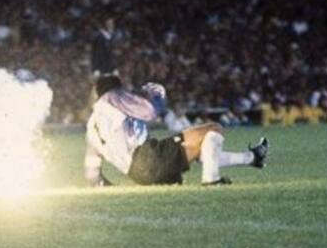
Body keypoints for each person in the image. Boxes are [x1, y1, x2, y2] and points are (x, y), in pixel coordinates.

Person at [83, 75, 268, 187]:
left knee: (202, 148)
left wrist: (105, 186)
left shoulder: (91, 126)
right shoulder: (114, 97)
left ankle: (252, 158)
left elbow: (91, 172)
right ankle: (211, 180)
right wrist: (157, 95)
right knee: (213, 129)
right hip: (148, 158)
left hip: (137, 174)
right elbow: (150, 112)